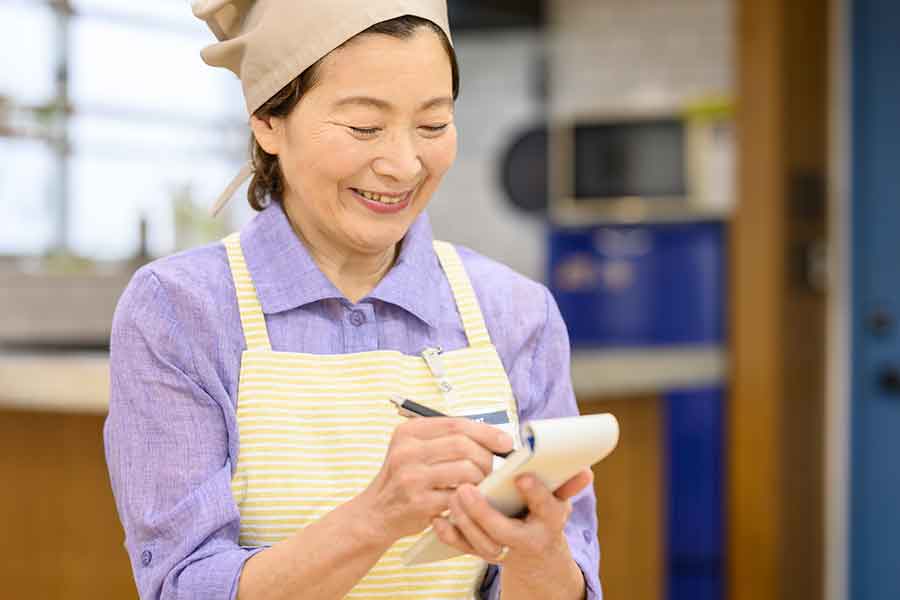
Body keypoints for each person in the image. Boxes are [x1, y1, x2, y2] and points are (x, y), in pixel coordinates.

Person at [104, 1, 601, 599]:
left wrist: (536, 552)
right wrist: (376, 517)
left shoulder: (517, 312)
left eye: (434, 125)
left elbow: (565, 582)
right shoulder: (179, 311)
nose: (402, 163)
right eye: (365, 127)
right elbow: (181, 586)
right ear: (267, 120)